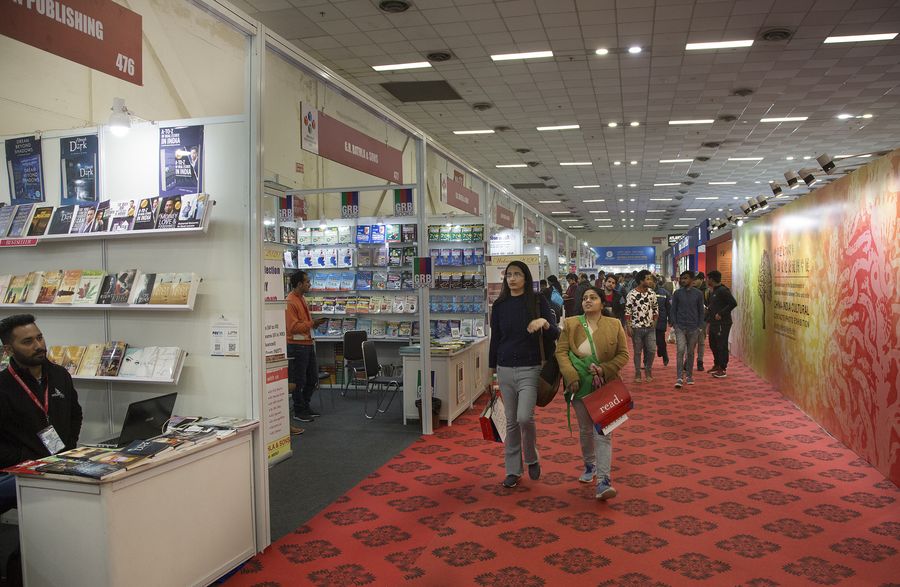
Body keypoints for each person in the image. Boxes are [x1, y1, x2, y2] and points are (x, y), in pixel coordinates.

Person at [0, 314, 83, 510]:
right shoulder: (3, 386)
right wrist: (25, 457)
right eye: (27, 341)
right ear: (8, 350)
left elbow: (75, 414)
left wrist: (68, 447)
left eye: (39, 337)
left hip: (60, 462)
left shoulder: (59, 374)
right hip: (20, 470)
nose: (38, 345)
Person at [488, 261, 559, 489]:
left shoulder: (538, 301)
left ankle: (531, 458)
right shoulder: (500, 305)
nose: (512, 278)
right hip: (505, 368)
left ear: (526, 278)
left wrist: (544, 323)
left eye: (517, 274)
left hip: (531, 368)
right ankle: (512, 470)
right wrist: (491, 371)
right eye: (509, 274)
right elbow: (495, 340)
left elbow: (556, 333)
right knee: (511, 421)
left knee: (524, 418)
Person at [556, 287, 628, 500]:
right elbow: (561, 352)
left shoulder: (614, 324)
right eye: (585, 298)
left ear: (602, 303)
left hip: (605, 385)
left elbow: (623, 354)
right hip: (579, 386)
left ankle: (604, 481)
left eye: (593, 298)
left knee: (604, 433)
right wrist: (571, 375)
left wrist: (605, 369)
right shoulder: (571, 323)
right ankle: (590, 464)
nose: (588, 301)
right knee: (585, 430)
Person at [285, 271, 327, 423]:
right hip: (296, 345)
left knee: (312, 378)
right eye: (307, 282)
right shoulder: (290, 301)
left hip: (307, 343)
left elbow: (302, 323)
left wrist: (312, 324)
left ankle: (305, 405)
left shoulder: (301, 298)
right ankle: (299, 410)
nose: (310, 284)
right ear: (299, 284)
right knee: (298, 381)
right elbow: (293, 327)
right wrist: (312, 323)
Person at [669, 270, 705, 388]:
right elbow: (673, 310)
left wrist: (700, 327)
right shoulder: (677, 293)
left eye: (685, 278)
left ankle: (689, 376)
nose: (683, 280)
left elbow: (701, 311)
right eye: (682, 278)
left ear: (692, 280)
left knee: (690, 352)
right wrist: (675, 324)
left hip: (694, 328)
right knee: (680, 351)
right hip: (680, 327)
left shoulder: (698, 294)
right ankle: (679, 377)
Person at [624, 269, 659, 383]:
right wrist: (628, 326)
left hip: (650, 328)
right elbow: (628, 311)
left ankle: (648, 369)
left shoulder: (652, 293)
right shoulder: (632, 294)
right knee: (637, 352)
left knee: (652, 350)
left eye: (650, 279)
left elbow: (655, 308)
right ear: (641, 281)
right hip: (636, 328)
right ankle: (637, 372)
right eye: (647, 279)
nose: (650, 281)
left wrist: (655, 321)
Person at [706, 270, 738, 378]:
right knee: (713, 344)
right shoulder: (713, 291)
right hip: (714, 323)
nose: (707, 280)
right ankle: (717, 364)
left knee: (721, 345)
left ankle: (722, 368)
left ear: (712, 279)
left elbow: (733, 303)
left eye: (708, 278)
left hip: (723, 323)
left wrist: (721, 313)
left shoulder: (723, 291)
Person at [653, 276, 672, 367]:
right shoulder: (644, 292)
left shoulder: (664, 293)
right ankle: (646, 362)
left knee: (660, 341)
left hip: (661, 320)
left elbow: (669, 307)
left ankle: (664, 355)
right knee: (647, 343)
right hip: (647, 321)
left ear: (656, 282)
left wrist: (671, 319)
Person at [693, 272, 709, 371]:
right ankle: (688, 360)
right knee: (690, 342)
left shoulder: (707, 291)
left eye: (696, 279)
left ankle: (700, 361)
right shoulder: (691, 290)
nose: (694, 281)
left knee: (701, 342)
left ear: (701, 280)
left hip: (702, 320)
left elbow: (710, 305)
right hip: (691, 319)